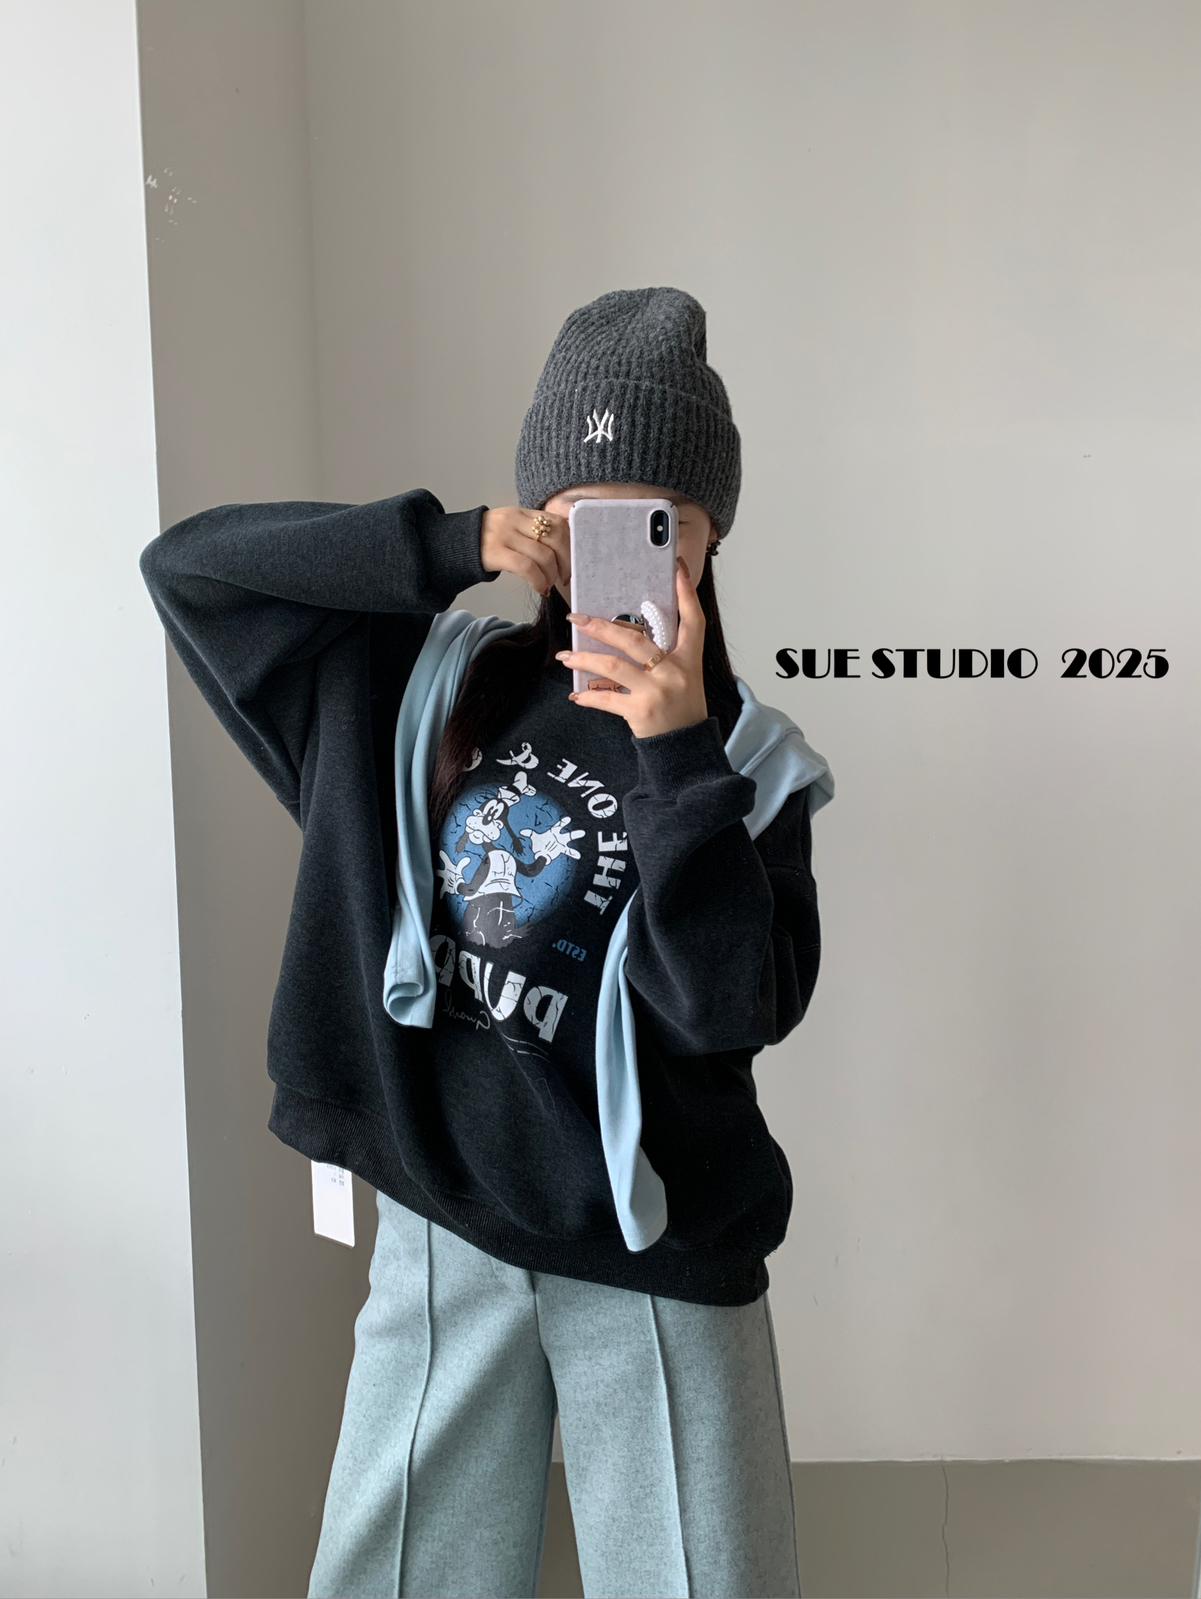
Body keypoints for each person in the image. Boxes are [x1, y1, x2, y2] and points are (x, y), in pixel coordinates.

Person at [139, 286, 833, 1599]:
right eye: (579, 516)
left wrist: (676, 756)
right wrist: (449, 544)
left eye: (656, 523)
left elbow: (726, 1009)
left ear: (709, 533)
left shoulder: (752, 765)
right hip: (444, 1227)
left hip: (658, 1254)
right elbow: (192, 569)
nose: (614, 553)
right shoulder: (423, 692)